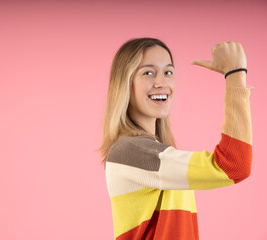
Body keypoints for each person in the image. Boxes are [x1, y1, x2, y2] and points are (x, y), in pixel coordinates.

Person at [99, 38, 252, 240]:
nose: (162, 82)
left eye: (168, 72)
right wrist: (235, 75)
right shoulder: (131, 152)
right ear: (125, 83)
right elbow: (234, 165)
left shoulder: (156, 154)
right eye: (148, 73)